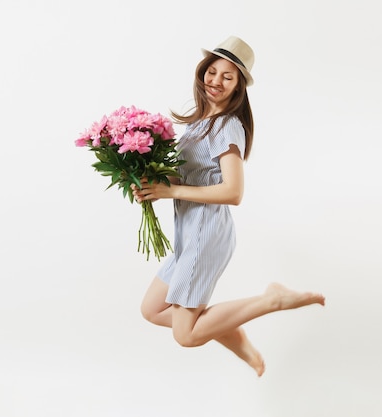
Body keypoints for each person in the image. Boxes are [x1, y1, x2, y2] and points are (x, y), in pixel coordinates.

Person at [131, 36, 325, 377]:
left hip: (204, 235)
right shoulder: (198, 124)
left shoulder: (227, 127)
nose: (216, 80)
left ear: (238, 87)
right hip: (188, 233)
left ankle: (272, 300)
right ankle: (241, 341)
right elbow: (191, 180)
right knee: (152, 309)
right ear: (203, 71)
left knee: (186, 335)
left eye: (228, 76)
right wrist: (150, 185)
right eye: (213, 71)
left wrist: (171, 193)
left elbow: (234, 192)